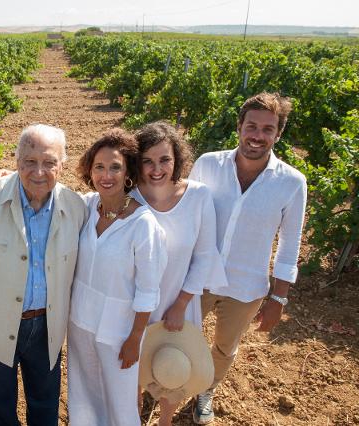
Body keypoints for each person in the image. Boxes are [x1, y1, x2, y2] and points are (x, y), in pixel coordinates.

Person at [0, 124, 87, 426]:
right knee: (0, 406)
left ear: (62, 165)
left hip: (47, 328)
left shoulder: (76, 207)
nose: (39, 171)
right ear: (16, 162)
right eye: (29, 161)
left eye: (49, 162)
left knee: (45, 403)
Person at [189, 92, 307, 424]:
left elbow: (289, 244)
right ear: (239, 126)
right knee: (180, 335)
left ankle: (206, 391)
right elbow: (188, 218)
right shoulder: (208, 164)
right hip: (198, 277)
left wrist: (278, 297)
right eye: (251, 126)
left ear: (278, 134)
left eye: (267, 129)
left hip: (246, 285)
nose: (257, 135)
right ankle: (172, 381)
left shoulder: (292, 183)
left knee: (225, 348)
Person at [67, 128, 167, 426]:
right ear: (90, 170)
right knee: (83, 393)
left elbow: (148, 289)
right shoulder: (86, 206)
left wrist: (135, 337)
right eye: (99, 167)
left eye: (115, 167)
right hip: (80, 321)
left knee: (120, 401)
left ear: (128, 174)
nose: (106, 175)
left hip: (118, 330)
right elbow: (50, 195)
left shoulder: (143, 225)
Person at [130, 121, 226, 425]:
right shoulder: (130, 195)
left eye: (164, 160)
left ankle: (165, 420)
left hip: (176, 299)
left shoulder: (198, 196)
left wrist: (181, 304)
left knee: (173, 366)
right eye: (147, 161)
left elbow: (205, 256)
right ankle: (133, 415)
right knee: (135, 366)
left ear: (177, 159)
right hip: (134, 299)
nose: (156, 169)